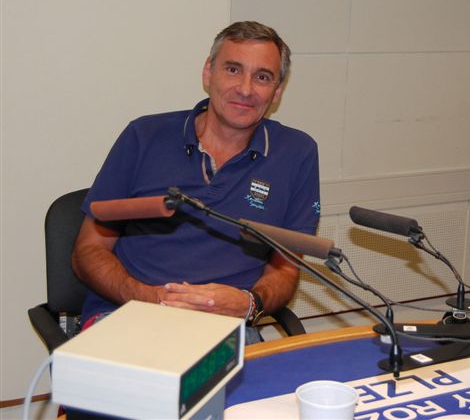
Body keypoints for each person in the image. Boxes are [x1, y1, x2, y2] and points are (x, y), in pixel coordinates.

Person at [71, 21, 320, 343]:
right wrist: (151, 298)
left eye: (262, 77)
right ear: (208, 72)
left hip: (225, 328)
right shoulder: (144, 136)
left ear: (277, 91)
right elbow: (88, 250)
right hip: (128, 312)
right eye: (233, 69)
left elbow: (285, 269)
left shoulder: (296, 153)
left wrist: (249, 304)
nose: (245, 89)